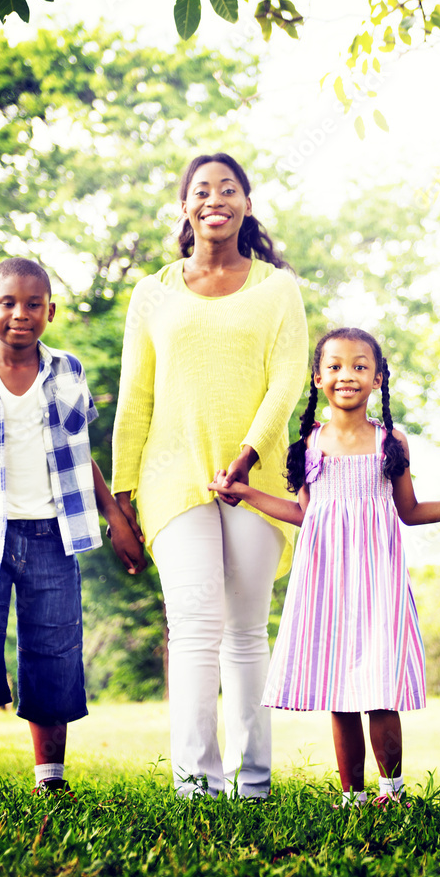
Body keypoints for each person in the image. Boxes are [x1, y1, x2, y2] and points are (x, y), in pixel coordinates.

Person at [210, 327, 440, 806]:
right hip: (324, 580)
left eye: (360, 366)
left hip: (377, 579)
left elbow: (409, 512)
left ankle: (393, 790)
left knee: (379, 687)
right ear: (318, 377)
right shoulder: (309, 444)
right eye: (335, 366)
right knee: (339, 689)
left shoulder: (391, 442)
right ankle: (354, 797)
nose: (347, 375)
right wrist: (246, 495)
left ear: (378, 378)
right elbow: (305, 513)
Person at [111, 153, 308, 799]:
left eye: (228, 188)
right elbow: (134, 396)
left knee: (247, 629)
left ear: (246, 203)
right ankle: (196, 782)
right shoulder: (153, 292)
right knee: (194, 623)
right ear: (186, 206)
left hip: (257, 479)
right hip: (171, 478)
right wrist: (120, 497)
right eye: (201, 190)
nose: (214, 198)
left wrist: (249, 454)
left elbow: (288, 379)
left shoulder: (277, 288)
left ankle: (253, 782)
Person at [0, 257, 146, 798]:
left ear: (50, 311)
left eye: (33, 304)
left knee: (53, 651)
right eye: (7, 303)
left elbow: (82, 457)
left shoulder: (68, 371)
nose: (20, 315)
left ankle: (49, 778)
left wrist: (115, 517)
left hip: (53, 536)